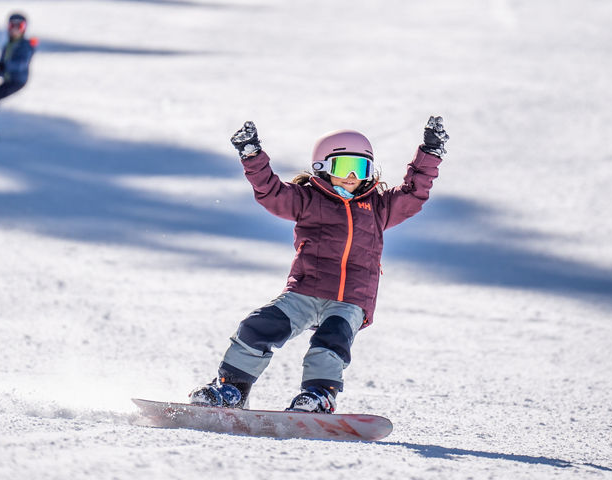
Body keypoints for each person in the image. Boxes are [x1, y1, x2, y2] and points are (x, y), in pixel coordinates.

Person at [190, 117, 449, 413]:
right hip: (305, 291)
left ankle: (319, 395)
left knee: (330, 342)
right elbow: (272, 193)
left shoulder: (378, 207)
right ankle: (232, 387)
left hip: (350, 300)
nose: (352, 176)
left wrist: (430, 153)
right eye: (342, 167)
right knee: (257, 326)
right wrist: (252, 155)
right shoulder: (308, 199)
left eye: (361, 168)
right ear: (321, 167)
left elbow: (414, 194)